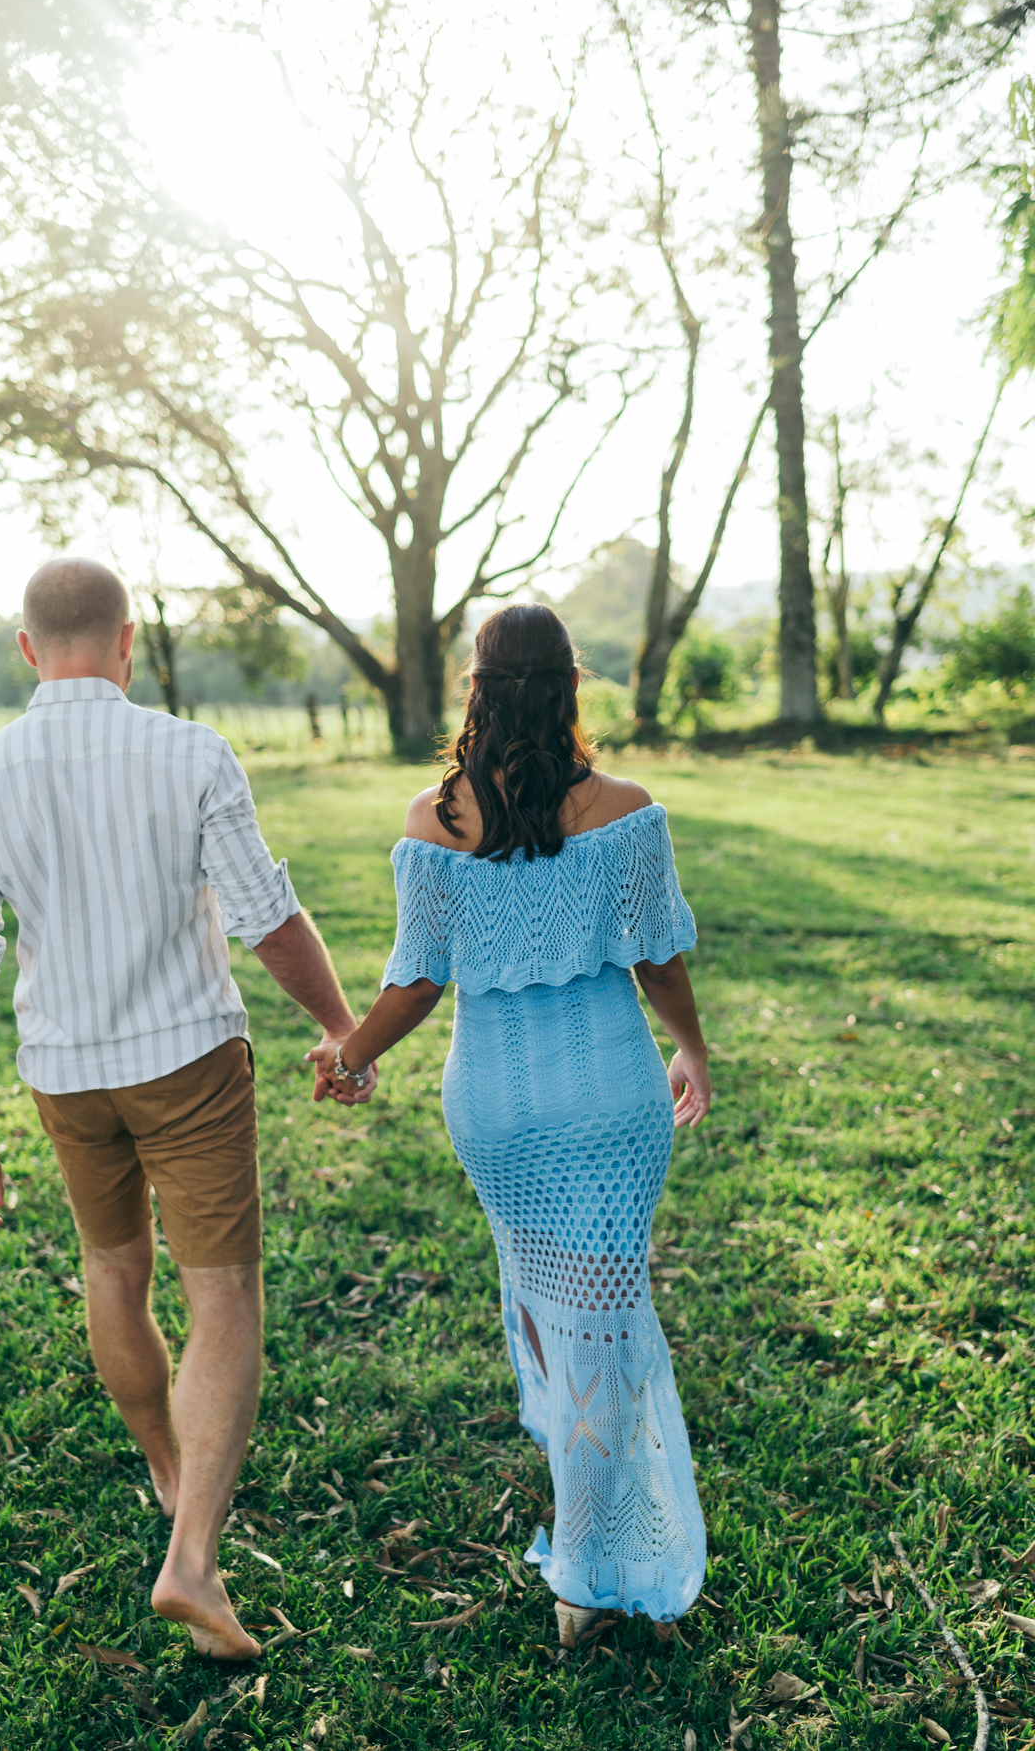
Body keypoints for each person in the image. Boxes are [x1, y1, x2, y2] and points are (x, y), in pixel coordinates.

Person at [0, 557, 373, 1662]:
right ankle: (194, 1558)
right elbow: (267, 920)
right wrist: (338, 1027)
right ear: (127, 641)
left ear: (29, 650)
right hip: (189, 1061)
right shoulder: (190, 752)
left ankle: (173, 1475)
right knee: (220, 1296)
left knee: (113, 1275)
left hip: (64, 1071)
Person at [309, 603, 709, 1644]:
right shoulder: (626, 809)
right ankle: (610, 1565)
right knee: (610, 1321)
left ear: (475, 691)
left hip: (496, 1109)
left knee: (551, 1311)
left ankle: (593, 1565)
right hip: (612, 1101)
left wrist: (351, 1053)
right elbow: (657, 960)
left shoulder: (433, 821)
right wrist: (695, 1049)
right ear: (571, 685)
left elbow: (415, 983)